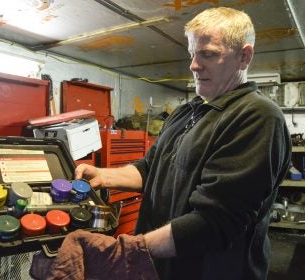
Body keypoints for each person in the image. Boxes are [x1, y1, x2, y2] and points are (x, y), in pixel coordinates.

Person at [39, 6, 291, 280]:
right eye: (192, 54)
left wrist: (129, 250)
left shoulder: (257, 116)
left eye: (208, 54)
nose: (194, 65)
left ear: (244, 56)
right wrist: (102, 176)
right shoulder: (187, 112)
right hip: (159, 267)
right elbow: (150, 169)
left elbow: (216, 221)